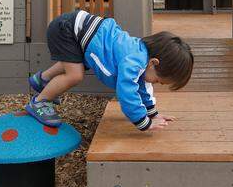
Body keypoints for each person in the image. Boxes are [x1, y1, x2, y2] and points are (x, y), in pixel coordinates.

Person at [26, 10, 193, 130]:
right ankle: (39, 101)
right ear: (154, 63)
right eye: (157, 80)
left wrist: (153, 114)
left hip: (78, 28)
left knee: (76, 63)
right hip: (67, 29)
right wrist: (143, 122)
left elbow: (140, 86)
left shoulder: (141, 55)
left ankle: (43, 80)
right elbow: (127, 92)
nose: (154, 83)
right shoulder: (134, 61)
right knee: (75, 74)